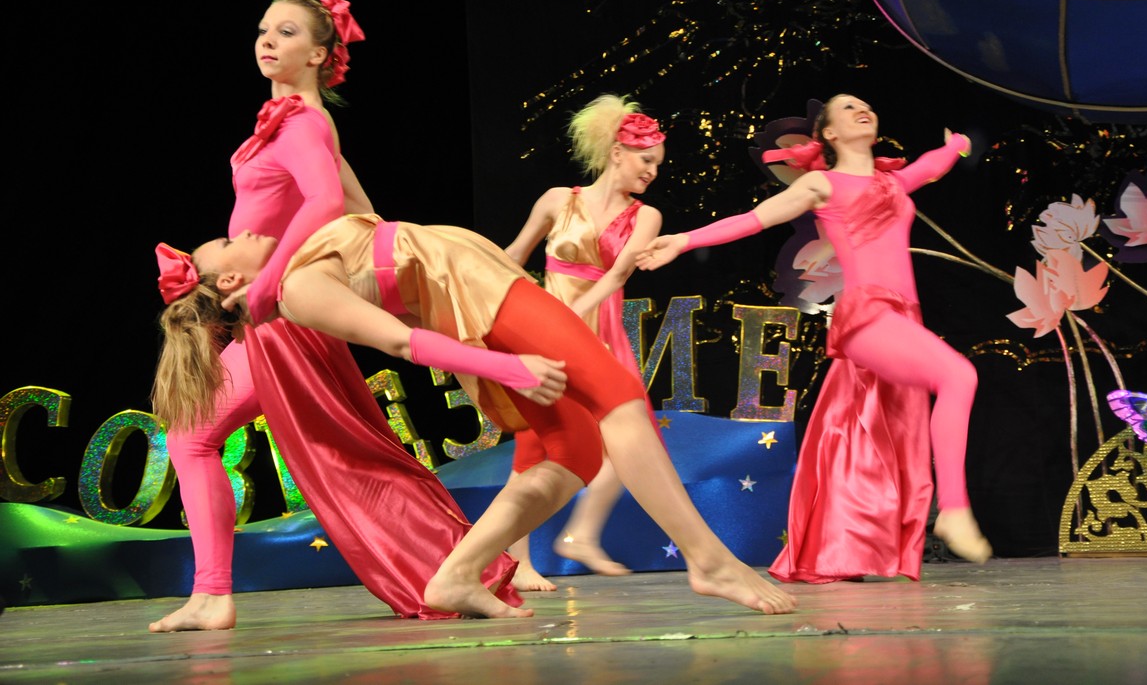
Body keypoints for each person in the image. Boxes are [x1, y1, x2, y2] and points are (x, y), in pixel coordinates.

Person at [154, 213, 800, 618]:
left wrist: (302, 93)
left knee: (575, 451)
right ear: (232, 282)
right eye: (230, 240)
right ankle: (707, 559)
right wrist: (506, 369)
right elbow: (400, 341)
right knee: (618, 396)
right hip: (480, 299)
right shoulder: (300, 289)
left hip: (480, 288)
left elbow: (324, 174)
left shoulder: (306, 248)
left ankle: (460, 572)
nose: (245, 228)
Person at [149, 0, 520, 632]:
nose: (268, 40)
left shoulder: (302, 122)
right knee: (217, 436)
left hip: (287, 315)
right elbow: (359, 210)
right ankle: (212, 594)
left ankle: (463, 569)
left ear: (320, 54)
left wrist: (272, 279)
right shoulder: (295, 122)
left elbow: (325, 204)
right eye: (264, 29)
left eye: (287, 32)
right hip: (279, 315)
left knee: (339, 455)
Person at [637, 94, 993, 584]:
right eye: (847, 108)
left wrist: (955, 146)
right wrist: (684, 240)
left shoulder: (892, 183)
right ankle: (953, 509)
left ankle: (841, 546)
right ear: (828, 133)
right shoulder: (821, 184)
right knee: (959, 376)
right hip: (868, 317)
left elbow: (930, 167)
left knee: (868, 438)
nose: (862, 109)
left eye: (867, 105)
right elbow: (755, 219)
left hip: (903, 321)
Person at [501, 94, 666, 589]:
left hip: (601, 335)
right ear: (617, 152)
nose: (653, 171)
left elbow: (616, 276)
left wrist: (572, 318)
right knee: (534, 445)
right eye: (646, 160)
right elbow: (513, 255)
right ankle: (517, 561)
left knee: (629, 443)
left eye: (657, 164)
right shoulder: (558, 200)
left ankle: (582, 535)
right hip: (546, 330)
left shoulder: (646, 217)